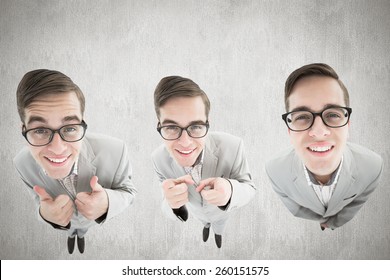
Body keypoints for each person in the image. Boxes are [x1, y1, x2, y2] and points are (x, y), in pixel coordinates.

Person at [14, 69, 136, 254]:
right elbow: (37, 199)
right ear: (24, 129)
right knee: (72, 230)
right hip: (66, 224)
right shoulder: (22, 163)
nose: (57, 148)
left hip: (90, 221)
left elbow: (129, 192)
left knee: (83, 229)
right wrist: (44, 215)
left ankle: (81, 235)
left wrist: (108, 203)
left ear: (82, 123)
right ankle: (72, 235)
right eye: (40, 130)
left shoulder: (116, 150)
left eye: (70, 128)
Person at [265, 63, 383, 230]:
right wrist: (319, 220)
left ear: (347, 124)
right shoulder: (275, 170)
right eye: (302, 117)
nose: (319, 132)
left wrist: (333, 223)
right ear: (289, 130)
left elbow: (356, 204)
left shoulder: (373, 166)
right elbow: (296, 209)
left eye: (333, 114)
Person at [151, 76, 256, 248]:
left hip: (222, 214)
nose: (185, 142)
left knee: (219, 226)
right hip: (197, 213)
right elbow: (166, 200)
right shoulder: (158, 158)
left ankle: (218, 234)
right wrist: (172, 204)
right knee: (205, 223)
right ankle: (206, 227)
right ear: (159, 125)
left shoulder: (233, 145)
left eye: (196, 127)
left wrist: (230, 190)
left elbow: (249, 188)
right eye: (171, 127)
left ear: (207, 125)